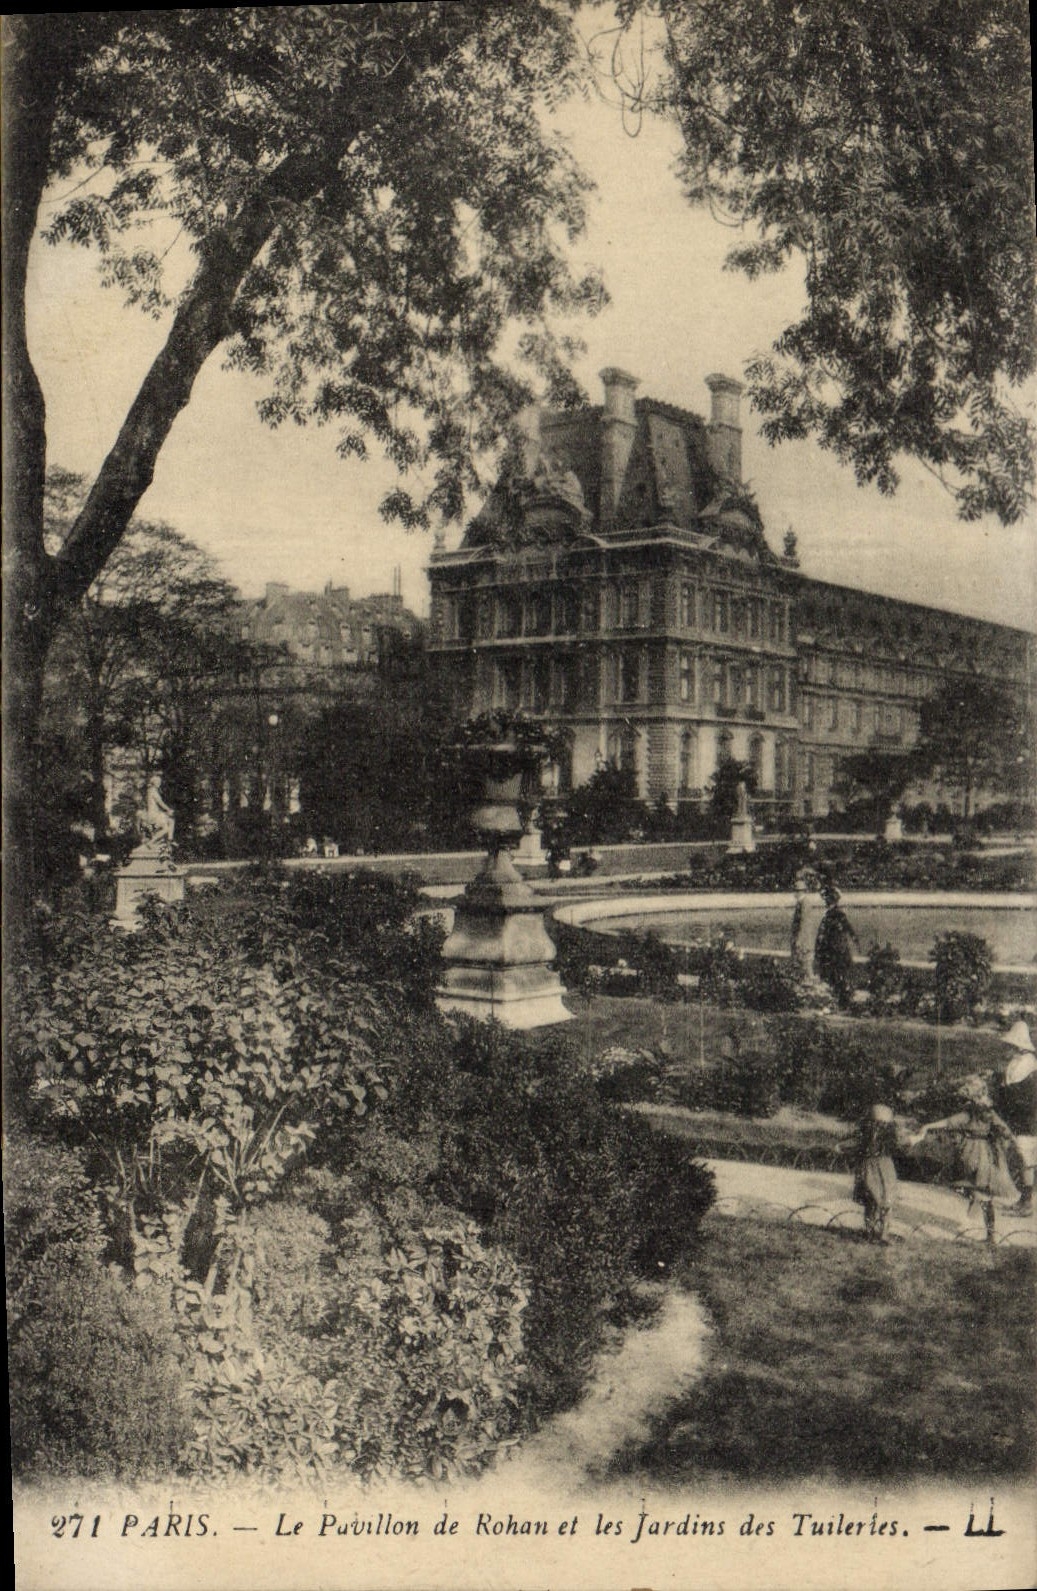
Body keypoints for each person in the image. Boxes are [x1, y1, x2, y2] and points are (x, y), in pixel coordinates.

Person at [910, 1076, 1020, 1242]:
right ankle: (986, 1231)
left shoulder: (970, 1112)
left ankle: (976, 1226)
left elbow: (949, 1122)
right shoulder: (989, 1112)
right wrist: (1009, 1141)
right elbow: (1004, 1128)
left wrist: (927, 1126)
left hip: (972, 1152)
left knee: (975, 1188)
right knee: (980, 1190)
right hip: (987, 1152)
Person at [994, 1020, 1037, 1214]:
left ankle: (1026, 1201)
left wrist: (1002, 1094)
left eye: (1011, 1045)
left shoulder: (1028, 1063)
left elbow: (1019, 1092)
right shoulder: (1018, 1061)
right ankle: (1024, 1198)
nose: (1008, 1047)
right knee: (1022, 1156)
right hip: (1020, 1114)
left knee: (1025, 1155)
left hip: (1027, 1116)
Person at [842, 1103, 901, 1244]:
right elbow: (903, 1142)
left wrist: (841, 1146)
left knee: (876, 1202)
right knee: (881, 1202)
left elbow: (853, 1143)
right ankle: (880, 1233)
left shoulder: (868, 1137)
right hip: (881, 1167)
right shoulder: (885, 1137)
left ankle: (875, 1232)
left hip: (875, 1167)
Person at [813, 883, 859, 1007]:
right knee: (838, 976)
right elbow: (850, 931)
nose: (826, 902)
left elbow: (846, 931)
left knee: (837, 976)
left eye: (827, 900)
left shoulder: (835, 915)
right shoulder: (834, 915)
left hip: (836, 951)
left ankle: (842, 1000)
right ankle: (842, 999)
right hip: (837, 950)